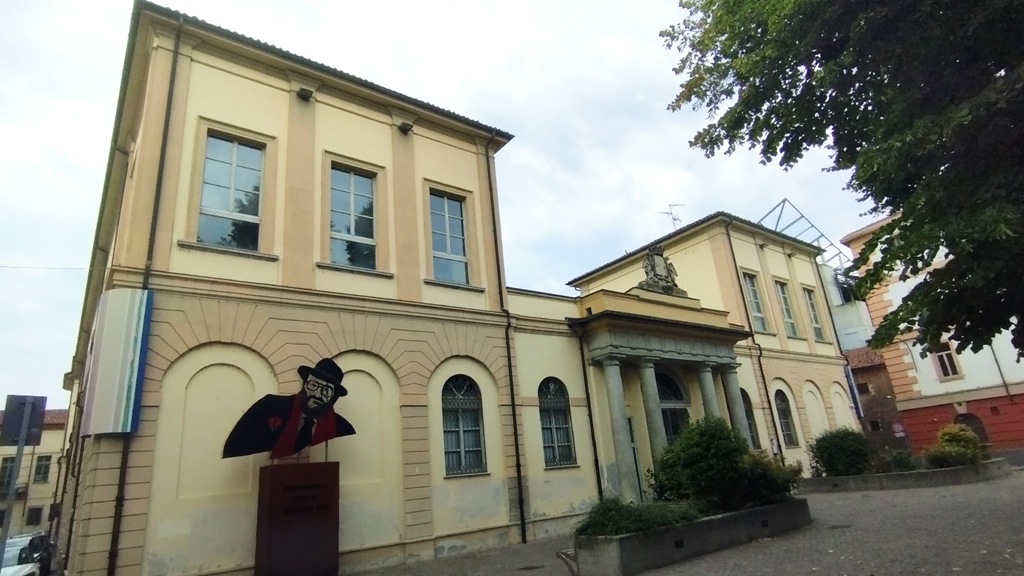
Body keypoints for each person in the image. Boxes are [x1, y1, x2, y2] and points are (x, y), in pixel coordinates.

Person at [223, 358, 356, 459]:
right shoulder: (268, 407)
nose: (317, 394)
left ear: (334, 398)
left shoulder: (342, 428)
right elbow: (234, 449)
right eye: (313, 385)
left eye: (326, 391)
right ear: (304, 384)